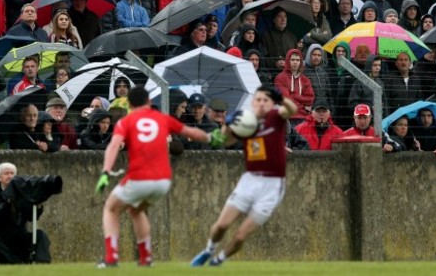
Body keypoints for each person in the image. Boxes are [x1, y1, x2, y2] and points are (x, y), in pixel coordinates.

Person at [95, 86, 225, 267]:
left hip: (139, 178)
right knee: (136, 210)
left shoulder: (126, 122)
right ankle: (146, 257)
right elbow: (191, 132)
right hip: (163, 181)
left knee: (111, 209)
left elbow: (114, 146)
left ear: (130, 104)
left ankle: (110, 258)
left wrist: (106, 172)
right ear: (149, 101)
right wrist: (212, 139)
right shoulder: (163, 118)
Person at [191, 86, 296, 267]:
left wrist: (281, 98)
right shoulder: (246, 121)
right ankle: (208, 250)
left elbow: (292, 110)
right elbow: (226, 140)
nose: (262, 103)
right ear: (253, 102)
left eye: (266, 100)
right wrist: (228, 124)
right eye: (259, 99)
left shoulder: (275, 117)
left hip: (272, 185)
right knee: (222, 225)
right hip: (250, 180)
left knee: (240, 235)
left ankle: (219, 259)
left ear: (271, 104)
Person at [0, 162, 51, 264]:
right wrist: (7, 202)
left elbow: (31, 216)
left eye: (12, 173)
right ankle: (18, 264)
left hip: (20, 237)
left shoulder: (22, 193)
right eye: (6, 173)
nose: (9, 176)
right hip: (0, 238)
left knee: (40, 235)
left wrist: (38, 204)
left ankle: (42, 265)